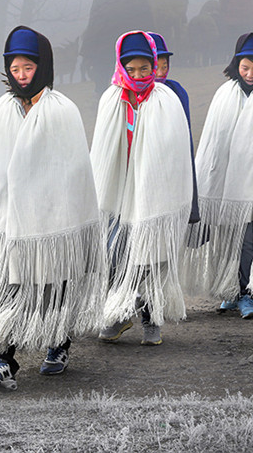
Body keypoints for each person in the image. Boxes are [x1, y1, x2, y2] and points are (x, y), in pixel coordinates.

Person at [0, 26, 100, 391]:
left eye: (27, 68)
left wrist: (61, 213)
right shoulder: (3, 109)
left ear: (43, 67)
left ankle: (58, 343)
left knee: (53, 288)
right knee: (6, 291)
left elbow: (74, 171)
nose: (21, 76)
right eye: (14, 69)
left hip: (51, 221)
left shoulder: (62, 112)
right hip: (9, 225)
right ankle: (3, 361)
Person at [90, 31, 192, 346]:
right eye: (130, 70)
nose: (137, 76)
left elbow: (176, 153)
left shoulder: (166, 101)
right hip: (119, 195)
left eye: (144, 70)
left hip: (154, 195)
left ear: (154, 66)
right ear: (121, 66)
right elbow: (102, 153)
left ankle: (151, 320)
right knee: (115, 255)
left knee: (151, 259)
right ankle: (119, 315)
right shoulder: (111, 99)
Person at [181, 33, 253, 319]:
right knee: (225, 238)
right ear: (236, 64)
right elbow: (212, 142)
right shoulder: (224, 94)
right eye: (245, 68)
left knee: (248, 241)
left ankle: (246, 293)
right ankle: (230, 291)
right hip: (225, 184)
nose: (251, 74)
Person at [82, 0, 154, 94]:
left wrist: (150, 45)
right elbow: (94, 20)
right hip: (105, 46)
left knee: (131, 79)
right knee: (103, 81)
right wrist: (88, 49)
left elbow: (146, 19)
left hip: (129, 45)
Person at [149, 32, 199, 224]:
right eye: (156, 67)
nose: (161, 72)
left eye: (165, 66)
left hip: (173, 165)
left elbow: (185, 139)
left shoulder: (176, 91)